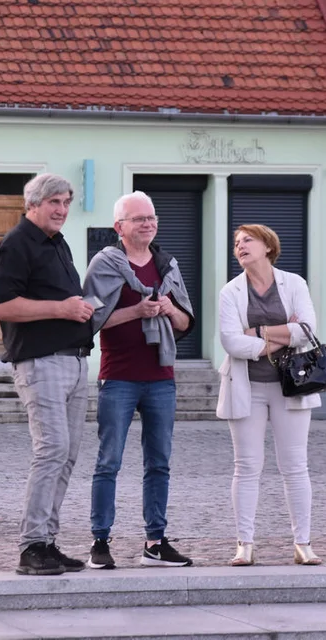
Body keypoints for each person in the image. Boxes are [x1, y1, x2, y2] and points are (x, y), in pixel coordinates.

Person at [81, 191, 195, 570]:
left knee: (159, 463)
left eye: (152, 217)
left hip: (161, 378)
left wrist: (168, 309)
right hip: (118, 378)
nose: (148, 223)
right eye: (139, 218)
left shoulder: (167, 265)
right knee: (108, 462)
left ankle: (155, 542)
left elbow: (185, 323)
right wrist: (136, 311)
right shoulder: (104, 264)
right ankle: (100, 541)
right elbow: (93, 320)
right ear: (120, 227)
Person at [0, 173, 95, 576]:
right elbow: (0, 307)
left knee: (66, 456)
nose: (62, 210)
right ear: (33, 203)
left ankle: (47, 542)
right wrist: (61, 309)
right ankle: (31, 546)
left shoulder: (58, 243)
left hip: (73, 360)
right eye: (55, 202)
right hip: (40, 360)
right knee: (50, 450)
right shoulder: (16, 244)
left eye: (66, 202)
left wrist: (82, 309)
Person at [217, 224, 323, 567]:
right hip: (247, 387)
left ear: (267, 246)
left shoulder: (294, 283)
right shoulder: (230, 292)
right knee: (246, 467)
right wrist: (280, 336)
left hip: (290, 387)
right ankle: (244, 544)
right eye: (236, 243)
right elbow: (231, 341)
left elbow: (307, 329)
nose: (240, 246)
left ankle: (303, 543)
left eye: (247, 240)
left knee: (295, 466)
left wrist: (258, 332)